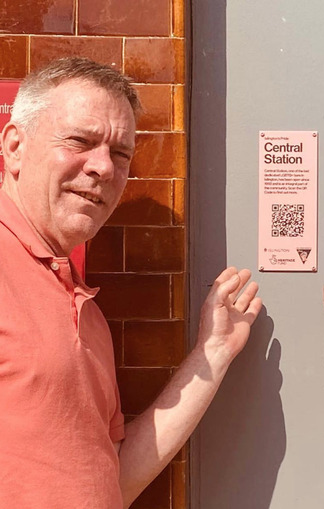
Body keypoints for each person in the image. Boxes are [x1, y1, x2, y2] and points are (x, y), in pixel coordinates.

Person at [0, 57, 262, 508]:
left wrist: (212, 355)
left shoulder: (83, 307)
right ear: (15, 145)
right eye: (80, 141)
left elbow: (111, 482)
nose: (103, 167)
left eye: (121, 154)